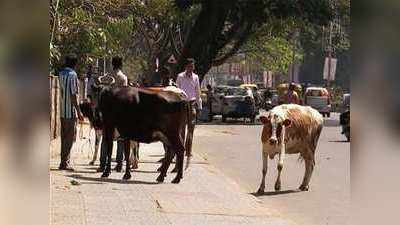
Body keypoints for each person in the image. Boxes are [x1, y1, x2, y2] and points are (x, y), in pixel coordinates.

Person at [58, 54, 84, 171]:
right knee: (69, 137)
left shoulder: (61, 73)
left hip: (62, 111)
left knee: (64, 137)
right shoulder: (72, 75)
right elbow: (73, 95)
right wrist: (79, 112)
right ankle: (65, 163)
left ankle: (63, 161)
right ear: (74, 64)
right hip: (70, 112)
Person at [176, 58, 202, 156]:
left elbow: (198, 92)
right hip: (182, 104)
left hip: (192, 104)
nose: (191, 68)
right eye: (189, 66)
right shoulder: (180, 76)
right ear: (186, 67)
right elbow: (177, 90)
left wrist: (199, 106)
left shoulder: (195, 77)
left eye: (192, 66)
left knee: (191, 129)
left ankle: (189, 150)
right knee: (182, 129)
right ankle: (181, 149)